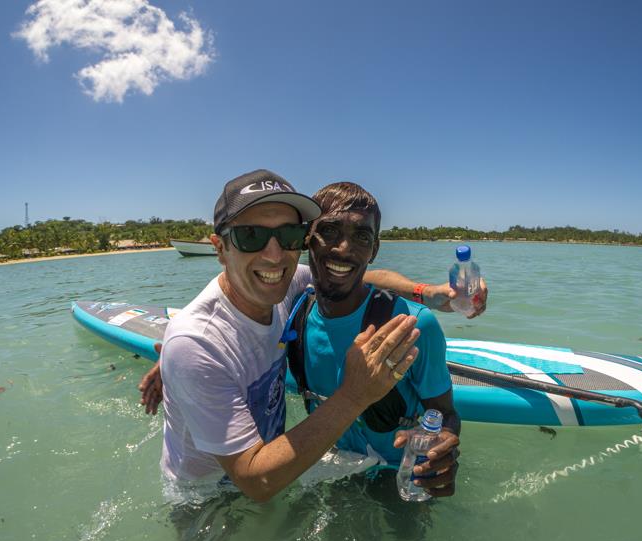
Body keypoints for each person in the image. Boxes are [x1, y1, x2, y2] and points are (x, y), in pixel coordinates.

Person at [157, 168, 466, 503]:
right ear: (219, 248)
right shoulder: (198, 342)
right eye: (250, 236)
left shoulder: (287, 285)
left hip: (350, 473)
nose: (273, 255)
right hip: (207, 497)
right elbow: (255, 479)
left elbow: (356, 274)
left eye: (288, 235)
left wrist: (429, 293)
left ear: (300, 241)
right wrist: (178, 360)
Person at [288, 181, 460, 495]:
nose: (343, 248)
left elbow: (446, 412)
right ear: (306, 238)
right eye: (329, 231)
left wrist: (443, 447)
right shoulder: (292, 313)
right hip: (333, 468)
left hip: (398, 479)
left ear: (374, 250)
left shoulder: (413, 326)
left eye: (361, 237)